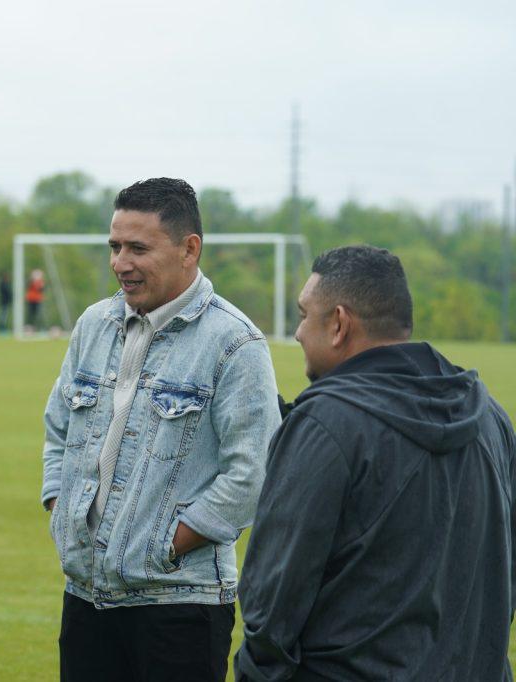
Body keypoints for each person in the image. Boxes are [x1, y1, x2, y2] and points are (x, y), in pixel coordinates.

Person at [234, 245, 516, 681]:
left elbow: (272, 602)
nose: (297, 333)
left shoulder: (326, 423)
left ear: (339, 324)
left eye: (303, 315)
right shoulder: (490, 416)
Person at [41, 177, 281, 682]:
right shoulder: (92, 324)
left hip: (179, 604)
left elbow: (253, 472)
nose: (120, 262)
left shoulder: (235, 343)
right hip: (85, 594)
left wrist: (162, 545)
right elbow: (59, 429)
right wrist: (60, 509)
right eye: (114, 246)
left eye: (138, 248)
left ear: (189, 249)